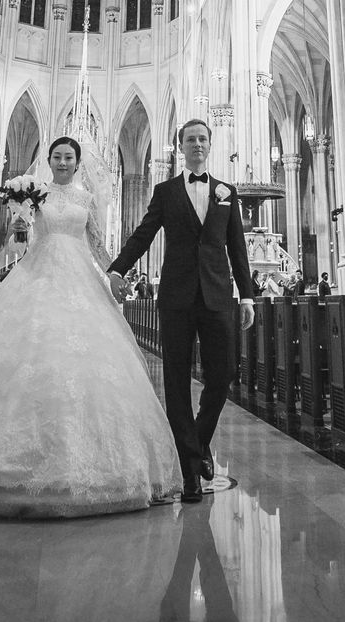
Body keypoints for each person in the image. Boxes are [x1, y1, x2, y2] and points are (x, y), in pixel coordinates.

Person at [0, 136, 180, 517]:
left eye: (68, 157)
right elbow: (16, 239)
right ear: (49, 160)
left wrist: (114, 274)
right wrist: (20, 220)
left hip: (80, 278)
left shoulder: (86, 200)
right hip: (36, 272)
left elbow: (96, 244)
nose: (62, 162)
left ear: (77, 163)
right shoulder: (33, 193)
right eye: (57, 156)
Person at [108, 119, 257, 504]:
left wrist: (247, 296)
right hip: (175, 296)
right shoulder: (166, 191)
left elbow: (237, 248)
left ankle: (197, 444)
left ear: (210, 145)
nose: (196, 144)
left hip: (217, 296)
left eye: (202, 139)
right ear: (180, 147)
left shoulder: (227, 192)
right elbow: (144, 233)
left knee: (222, 375)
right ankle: (191, 471)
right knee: (175, 380)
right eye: (190, 139)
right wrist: (117, 268)